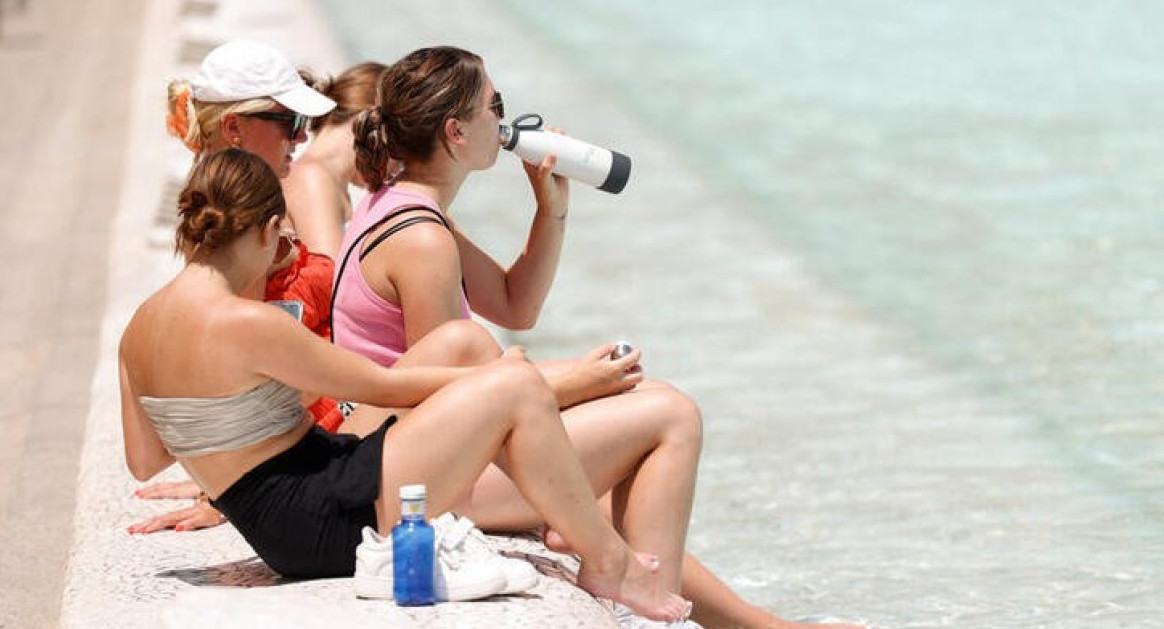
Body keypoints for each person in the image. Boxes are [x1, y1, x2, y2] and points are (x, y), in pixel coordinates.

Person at [335, 46, 859, 629]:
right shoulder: (422, 240)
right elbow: (451, 401)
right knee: (669, 414)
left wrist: (550, 210)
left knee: (620, 482)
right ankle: (668, 614)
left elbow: (515, 305)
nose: (504, 122)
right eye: (495, 106)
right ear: (456, 132)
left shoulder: (403, 209)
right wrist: (580, 383)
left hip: (402, 452)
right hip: (417, 476)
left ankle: (756, 626)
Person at [119, 147, 692, 622]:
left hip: (282, 515)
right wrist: (510, 378)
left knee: (466, 349)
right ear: (270, 228)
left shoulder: (138, 329)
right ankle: (607, 560)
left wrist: (231, 424)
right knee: (512, 386)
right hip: (322, 519)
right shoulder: (247, 323)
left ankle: (559, 505)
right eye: (281, 240)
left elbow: (146, 460)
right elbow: (382, 387)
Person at [129, 39, 343, 534]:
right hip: (326, 426)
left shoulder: (214, 199)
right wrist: (225, 488)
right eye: (290, 124)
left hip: (324, 410)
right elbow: (239, 372)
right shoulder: (251, 222)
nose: (301, 139)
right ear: (234, 128)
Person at [283, 62, 388, 258]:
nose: (397, 163)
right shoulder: (313, 177)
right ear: (373, 121)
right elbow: (330, 278)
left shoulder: (325, 177)